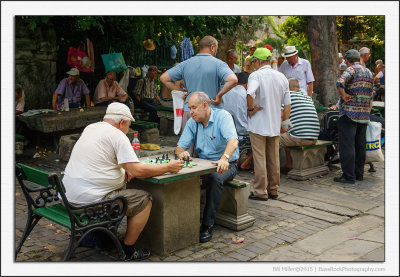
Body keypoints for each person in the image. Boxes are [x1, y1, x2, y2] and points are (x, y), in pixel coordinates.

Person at [62, 102, 184, 260]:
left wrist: (124, 170)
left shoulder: (90, 128)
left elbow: (102, 161)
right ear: (121, 123)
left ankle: (96, 236)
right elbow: (137, 170)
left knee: (115, 192)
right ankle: (128, 250)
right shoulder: (117, 135)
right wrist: (168, 167)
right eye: (128, 125)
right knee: (144, 199)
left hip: (68, 199)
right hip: (90, 204)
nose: (128, 129)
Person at [175, 92, 239, 243]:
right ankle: (183, 220)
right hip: (202, 164)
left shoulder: (223, 116)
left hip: (227, 164)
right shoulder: (193, 122)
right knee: (179, 176)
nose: (190, 112)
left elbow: (233, 141)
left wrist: (224, 158)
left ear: (205, 105)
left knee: (215, 177)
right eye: (189, 108)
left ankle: (207, 225)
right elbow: (179, 147)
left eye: (193, 108)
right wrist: (182, 153)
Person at [160, 35, 237, 140]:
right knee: (208, 152)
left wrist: (181, 91)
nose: (215, 52)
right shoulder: (219, 64)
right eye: (216, 49)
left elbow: (164, 78)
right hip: (210, 113)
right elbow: (233, 79)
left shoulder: (185, 64)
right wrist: (219, 95)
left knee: (187, 150)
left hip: (190, 111)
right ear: (212, 47)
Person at [246, 48, 291, 201]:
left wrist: (251, 108)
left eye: (253, 62)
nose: (253, 65)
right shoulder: (281, 77)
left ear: (257, 61)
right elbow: (288, 104)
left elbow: (249, 93)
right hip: (274, 123)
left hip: (258, 123)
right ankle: (273, 189)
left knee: (260, 159)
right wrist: (285, 122)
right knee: (274, 158)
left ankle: (260, 191)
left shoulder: (255, 75)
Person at [333, 49, 374, 184]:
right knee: (360, 145)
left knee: (347, 145)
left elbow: (340, 82)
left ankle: (348, 176)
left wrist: (344, 95)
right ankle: (359, 174)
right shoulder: (368, 72)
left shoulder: (351, 70)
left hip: (349, 113)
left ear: (347, 60)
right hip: (363, 114)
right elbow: (371, 95)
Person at [279, 78, 320, 171]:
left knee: (273, 140)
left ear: (287, 87)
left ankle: (269, 170)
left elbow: (281, 115)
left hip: (300, 137)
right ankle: (289, 164)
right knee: (288, 134)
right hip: (314, 137)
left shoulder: (288, 95)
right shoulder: (307, 97)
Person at [222, 72, 249, 137]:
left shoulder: (226, 92)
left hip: (225, 130)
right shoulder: (246, 95)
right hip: (242, 133)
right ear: (247, 83)